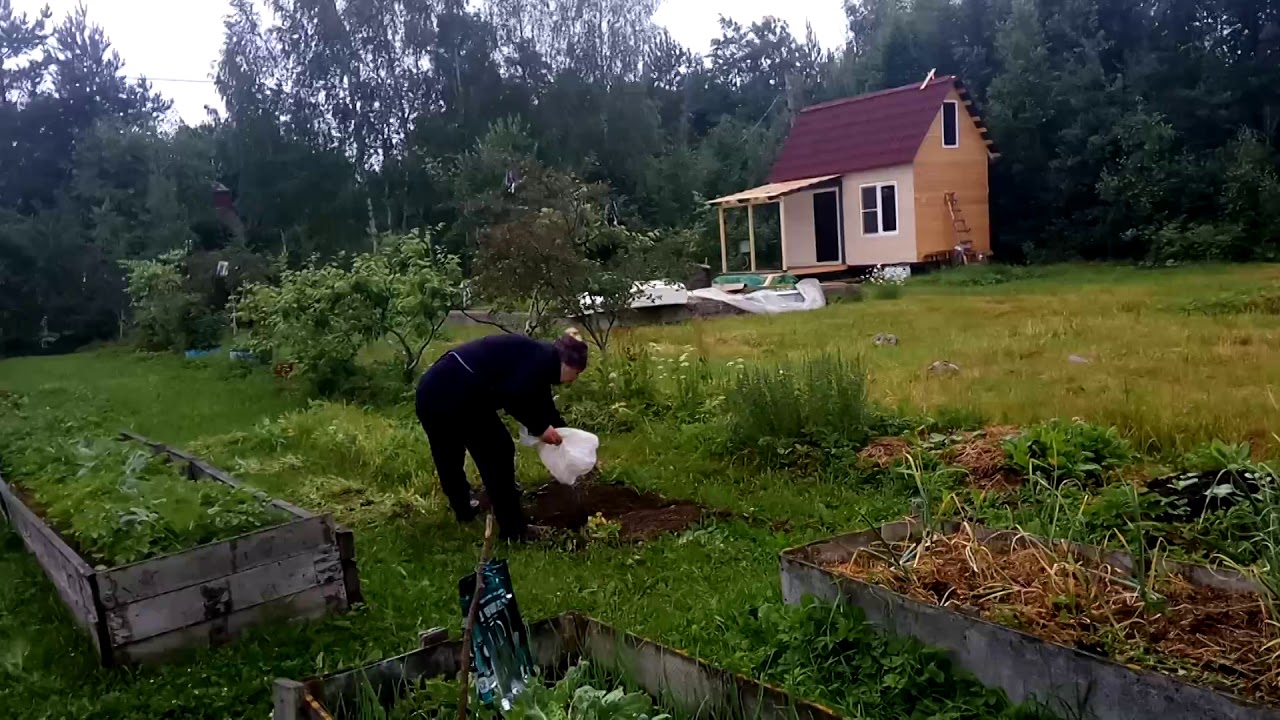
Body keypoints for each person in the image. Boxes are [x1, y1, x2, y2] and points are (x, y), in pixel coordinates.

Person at [415, 330, 589, 541]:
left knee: (448, 454)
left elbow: (542, 404)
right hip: (457, 392)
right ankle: (514, 530)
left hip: (432, 389)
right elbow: (513, 394)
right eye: (577, 373)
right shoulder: (540, 361)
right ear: (567, 363)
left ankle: (463, 508)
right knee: (497, 452)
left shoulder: (540, 358)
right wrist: (541, 428)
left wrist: (564, 434)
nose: (574, 380)